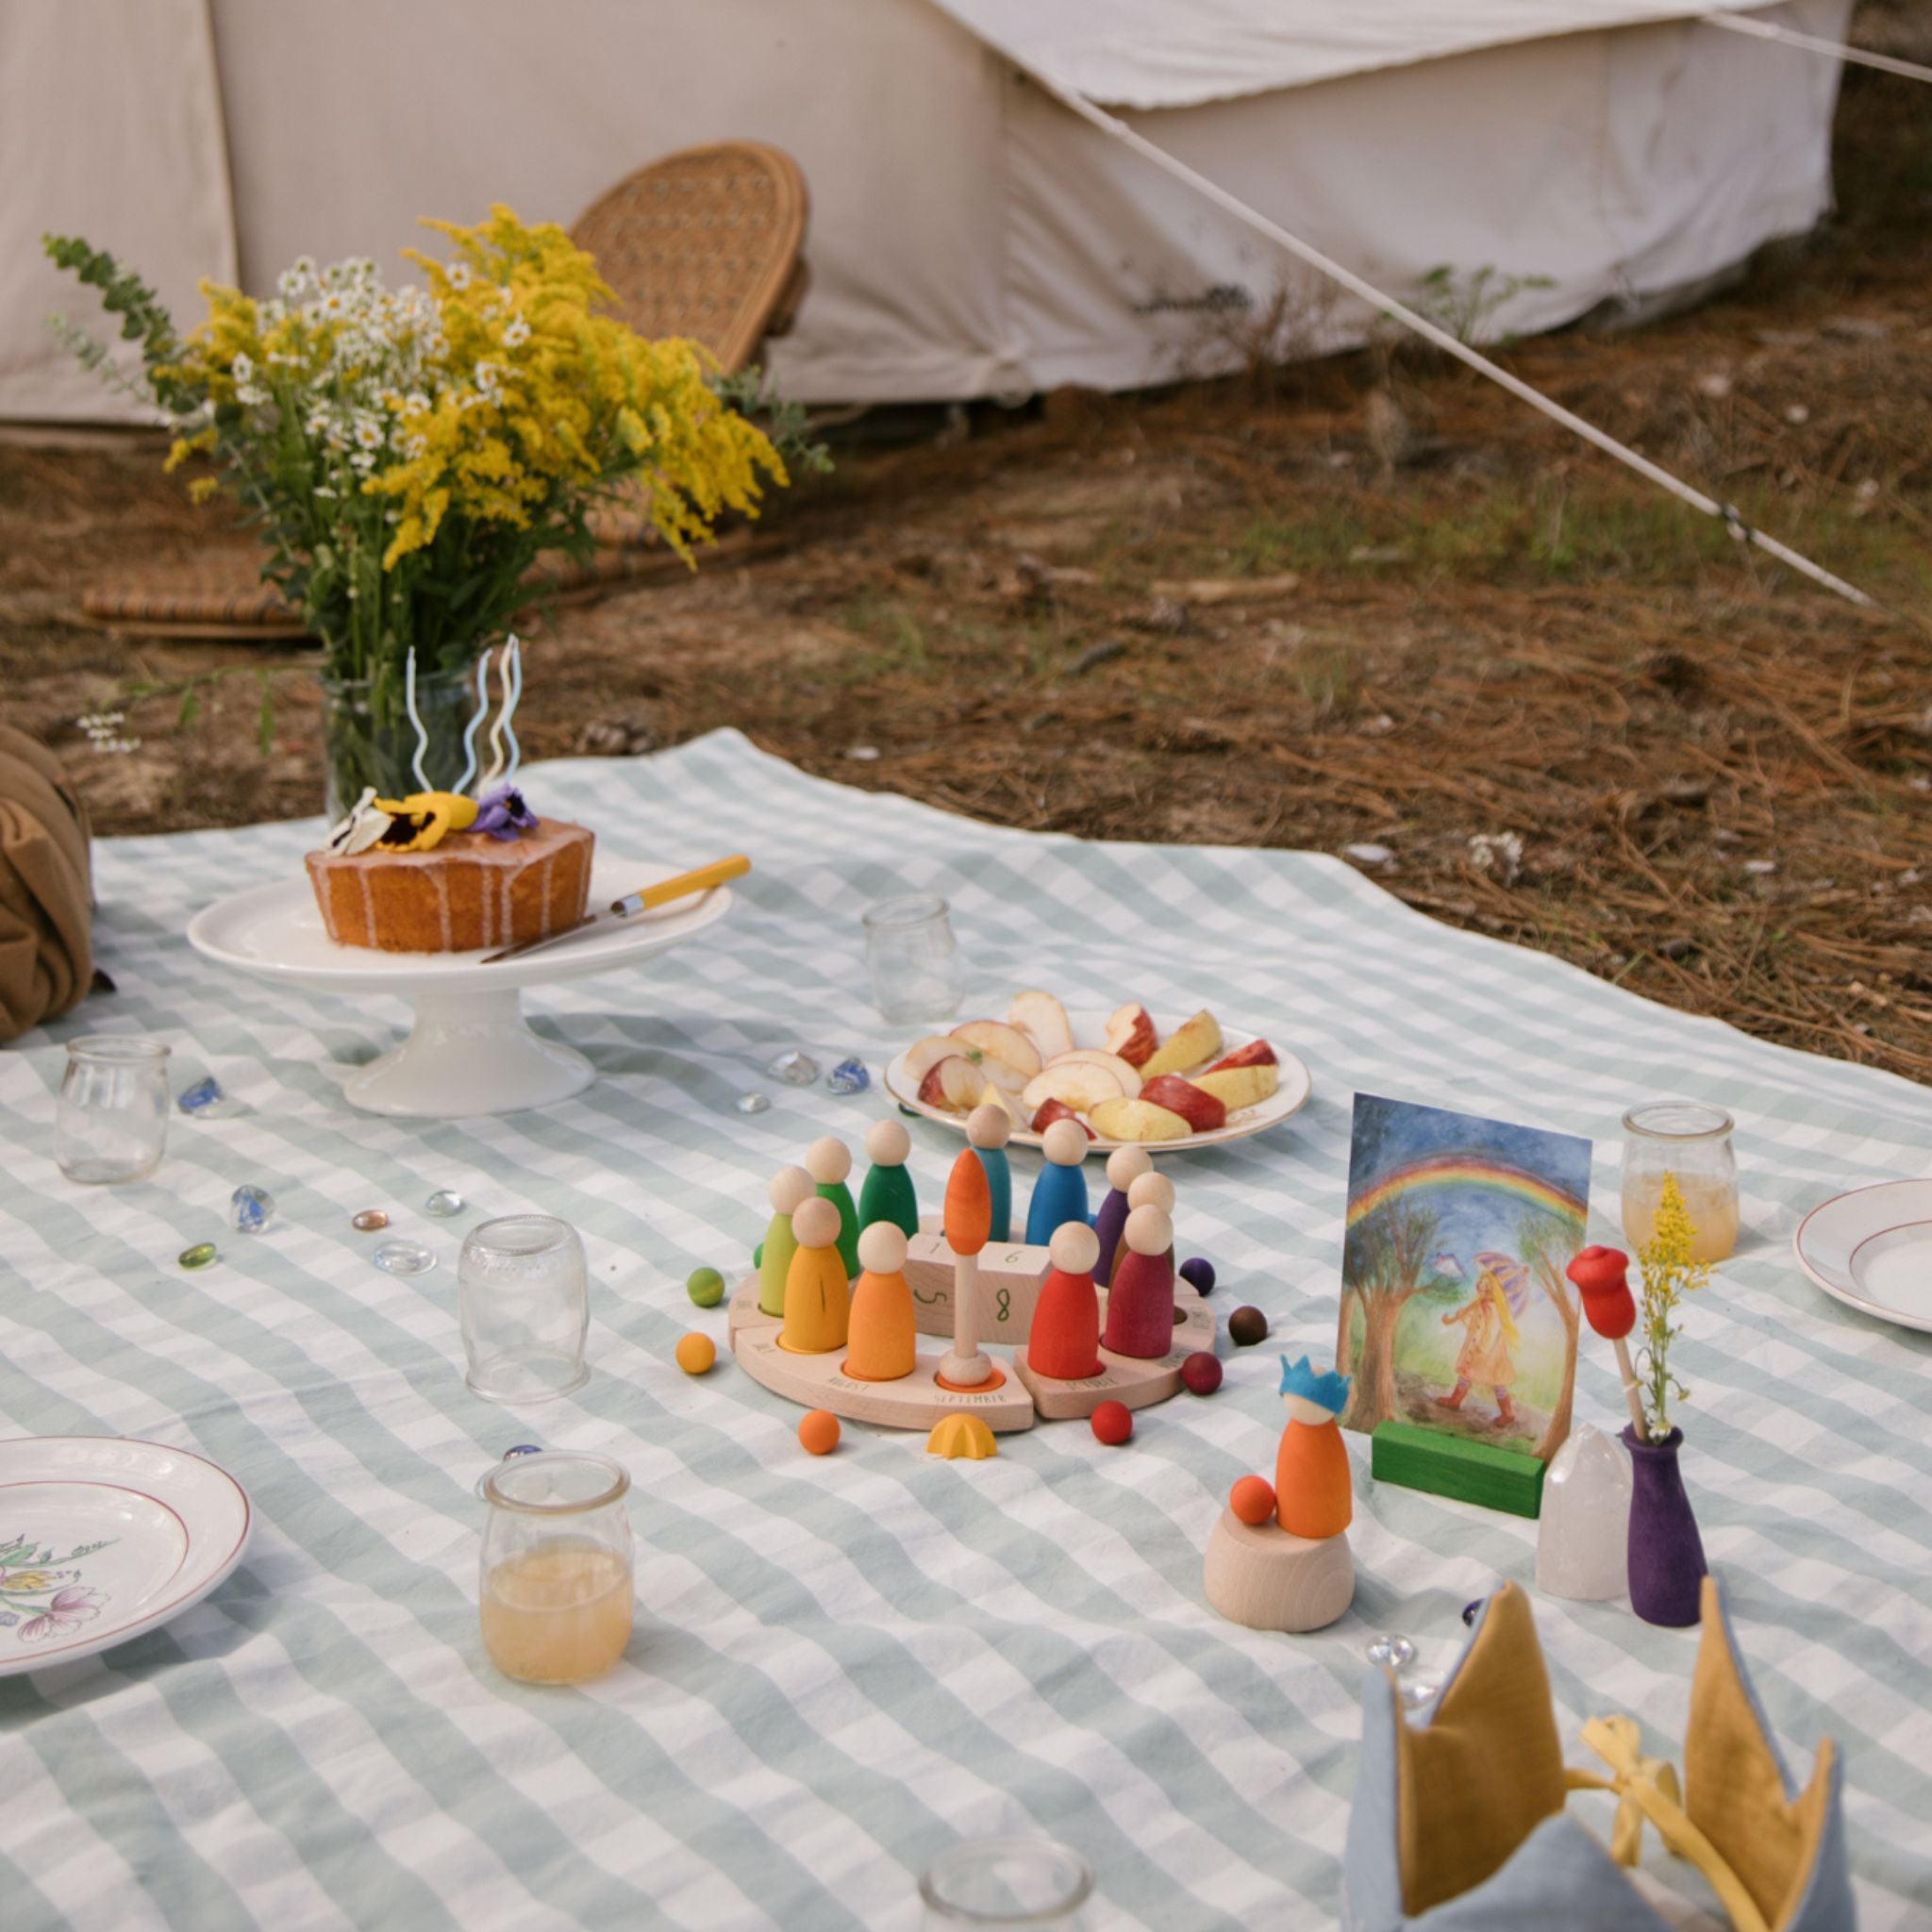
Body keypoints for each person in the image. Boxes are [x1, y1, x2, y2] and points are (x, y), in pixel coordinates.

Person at [1436, 1252, 1524, 1426]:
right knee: (1465, 1374)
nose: (1482, 1289)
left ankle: (1507, 1413)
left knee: (1497, 1382)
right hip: (1475, 1348)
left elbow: (1492, 1330)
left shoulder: (1493, 1308)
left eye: (1487, 1286)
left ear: (1493, 1289)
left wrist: (1483, 1347)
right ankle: (1455, 1401)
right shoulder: (1480, 1305)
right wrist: (1461, 1317)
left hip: (1488, 1352)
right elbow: (1474, 1325)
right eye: (1481, 1285)